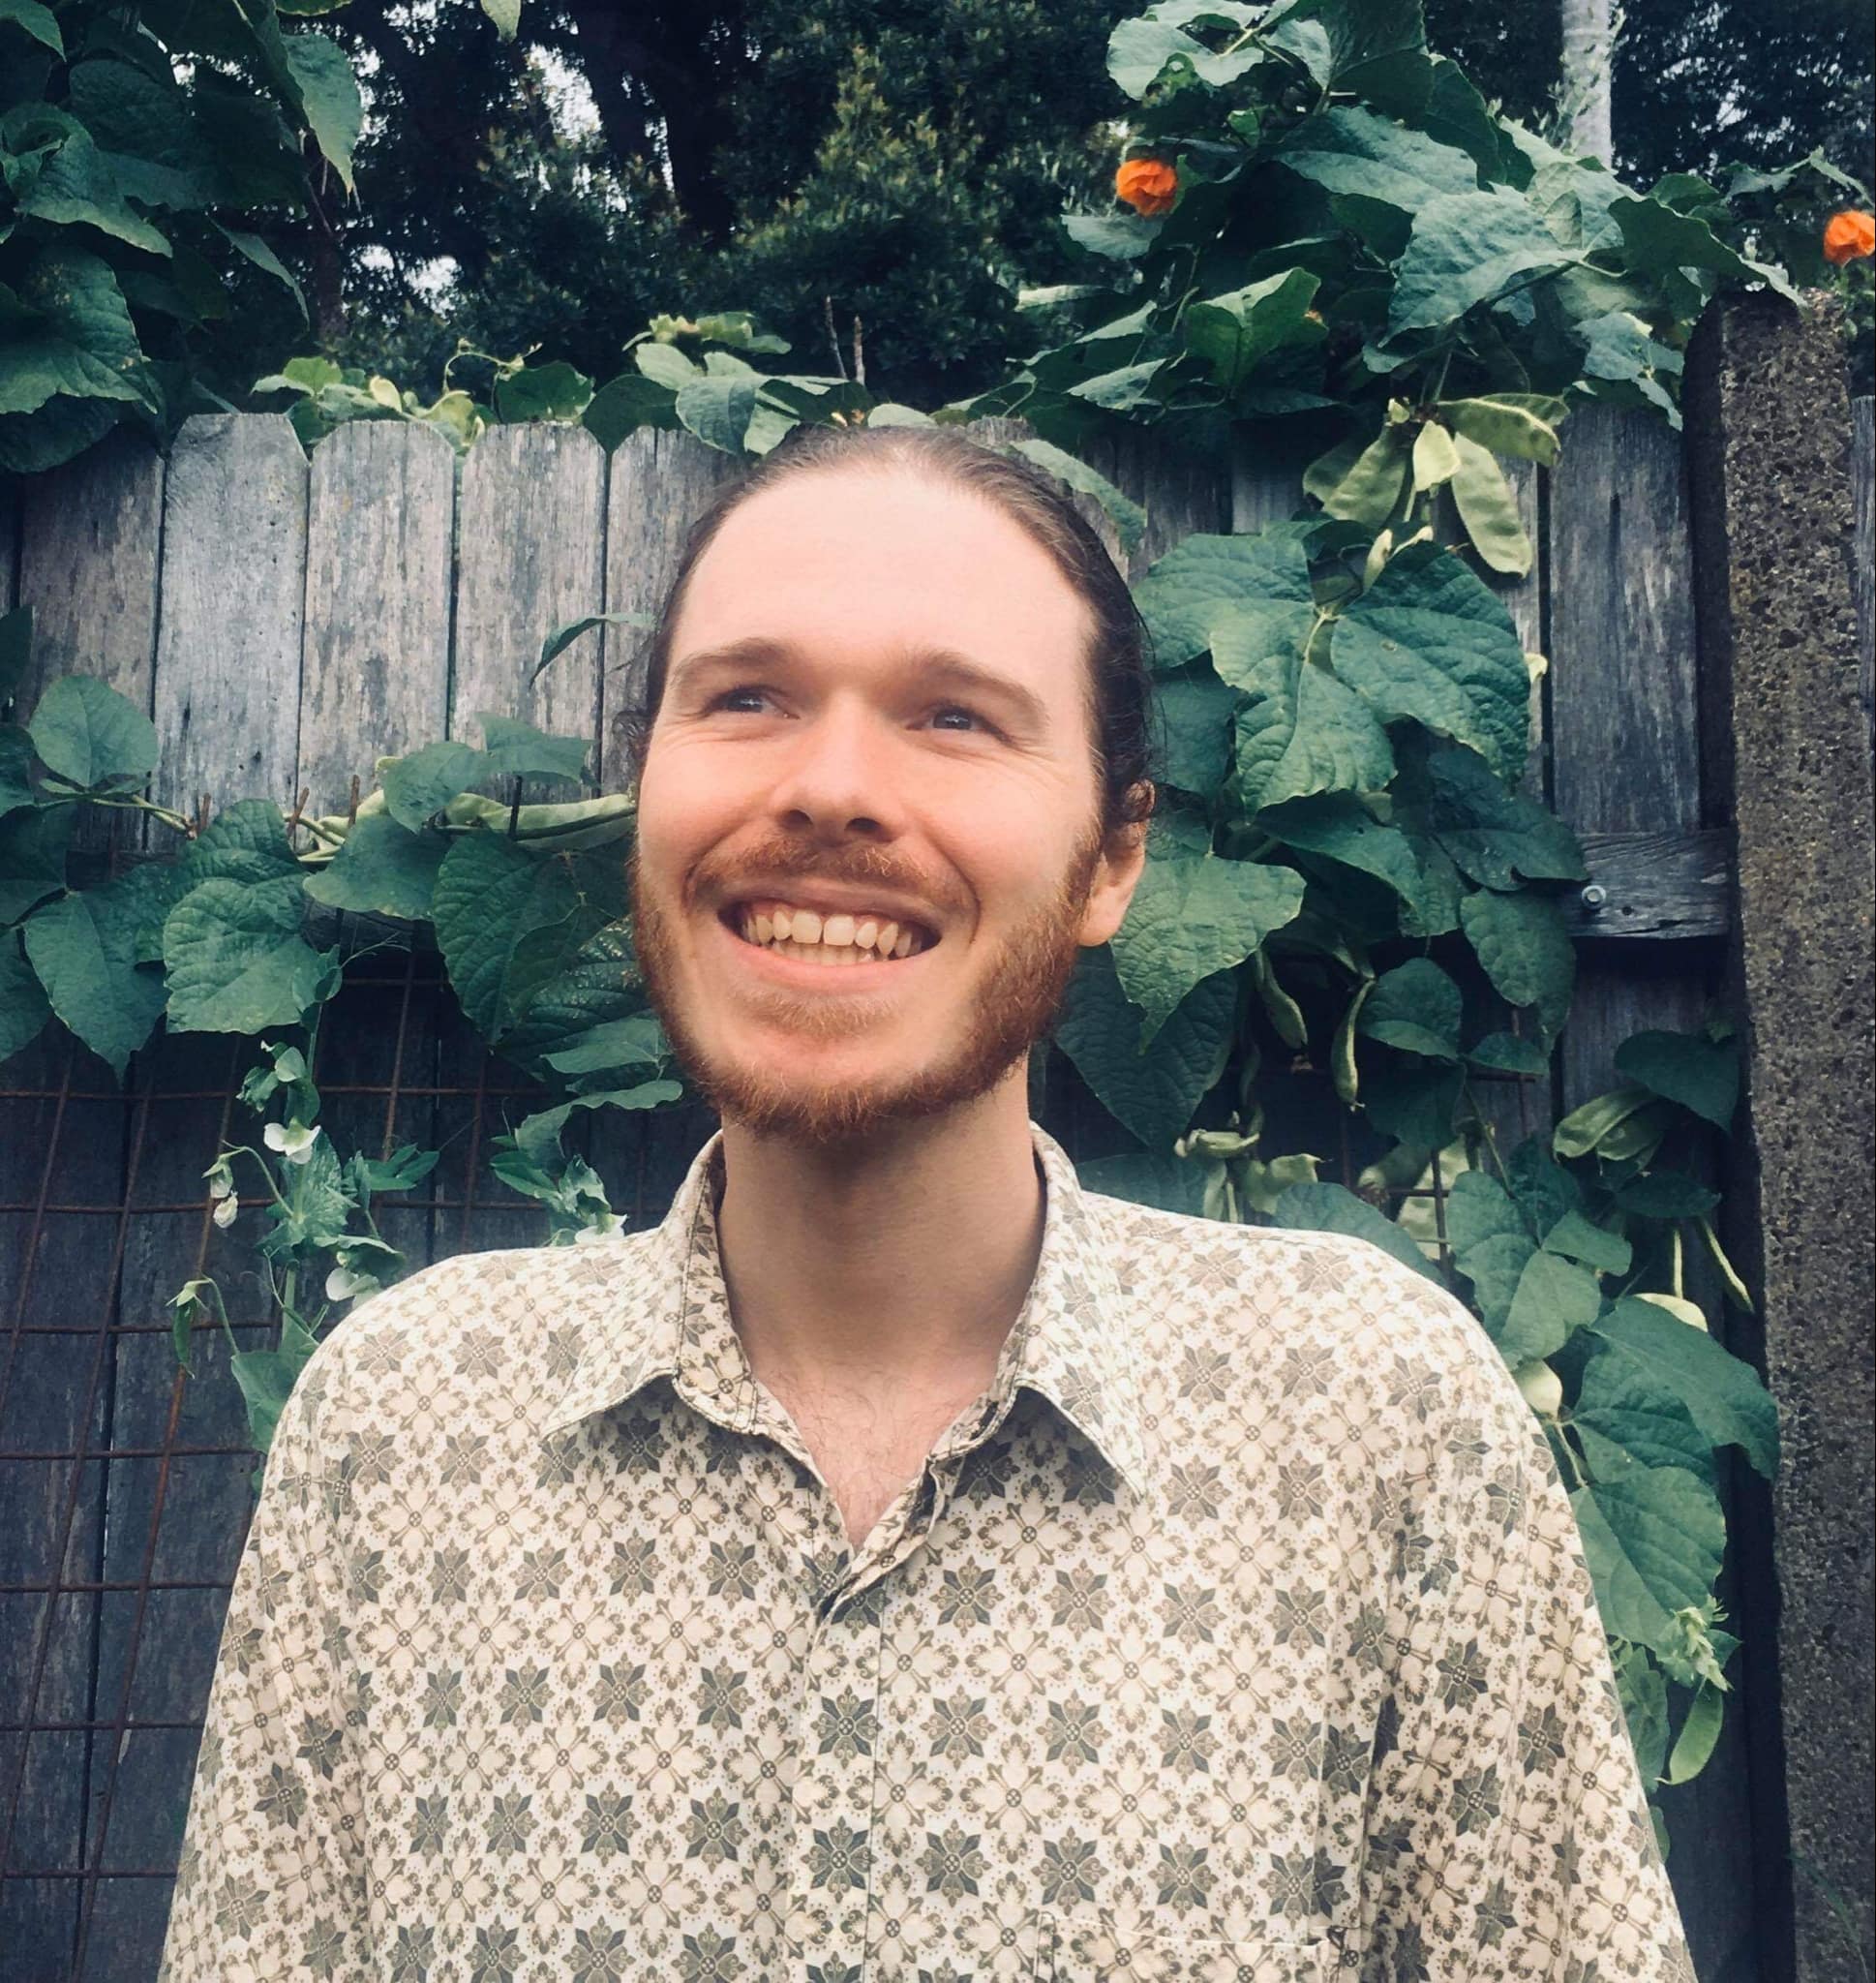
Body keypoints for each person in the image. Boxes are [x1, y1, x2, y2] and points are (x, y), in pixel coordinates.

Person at [158, 426, 1697, 1983]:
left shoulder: (1374, 1416)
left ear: (1110, 863)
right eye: (746, 698)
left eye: (955, 716)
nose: (828, 789)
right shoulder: (398, 1427)